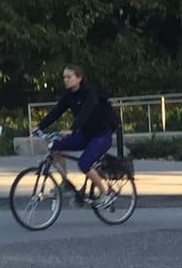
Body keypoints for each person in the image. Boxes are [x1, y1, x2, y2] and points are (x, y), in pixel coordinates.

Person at [34, 63, 120, 206]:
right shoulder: (69, 96)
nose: (65, 80)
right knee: (55, 146)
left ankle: (106, 193)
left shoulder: (90, 92)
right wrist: (39, 126)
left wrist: (72, 129)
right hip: (85, 135)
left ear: (79, 78)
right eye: (64, 77)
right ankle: (64, 183)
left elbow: (85, 112)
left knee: (84, 163)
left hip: (101, 136)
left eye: (69, 77)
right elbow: (56, 112)